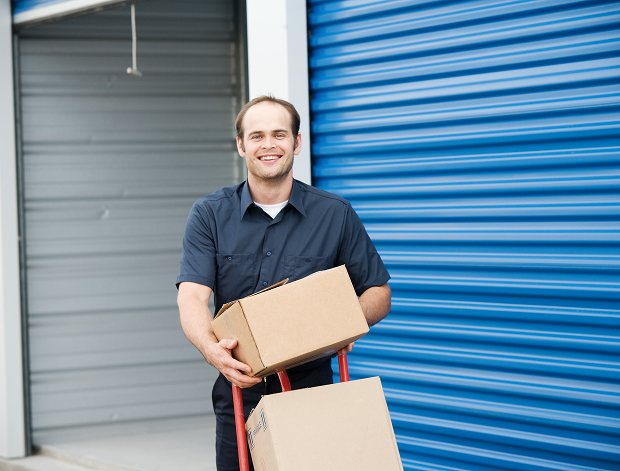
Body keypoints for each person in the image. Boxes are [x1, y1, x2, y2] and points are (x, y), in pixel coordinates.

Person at [176, 95, 391, 471]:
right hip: (239, 392)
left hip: (314, 390)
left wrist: (346, 318)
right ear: (241, 145)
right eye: (256, 136)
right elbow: (192, 296)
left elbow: (378, 292)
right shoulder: (210, 215)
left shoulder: (334, 213)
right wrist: (212, 351)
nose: (268, 145)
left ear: (297, 142)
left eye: (279, 134)